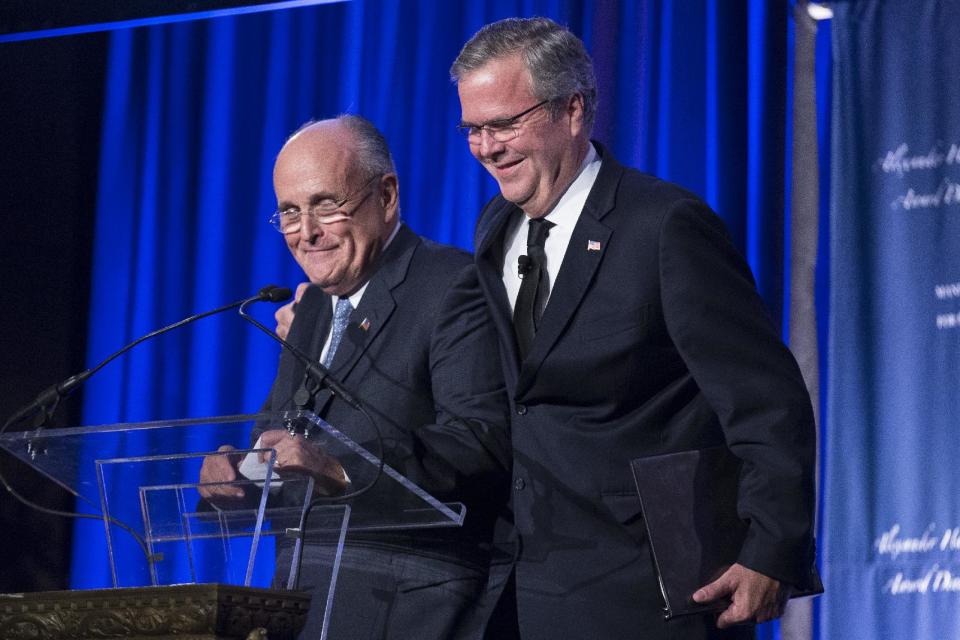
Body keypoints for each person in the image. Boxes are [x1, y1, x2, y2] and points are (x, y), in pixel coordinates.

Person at [447, 17, 818, 639]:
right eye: (473, 130)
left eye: (506, 124)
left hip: (648, 588)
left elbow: (767, 401)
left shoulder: (665, 227)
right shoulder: (495, 228)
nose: (487, 148)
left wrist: (770, 549)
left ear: (574, 110)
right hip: (526, 581)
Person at [200, 115, 511, 639]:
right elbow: (279, 437)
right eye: (290, 213)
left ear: (386, 196)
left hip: (408, 605)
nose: (307, 233)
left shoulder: (453, 285)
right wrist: (234, 474)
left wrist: (337, 469)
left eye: (326, 205)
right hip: (301, 602)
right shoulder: (315, 307)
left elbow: (478, 444)